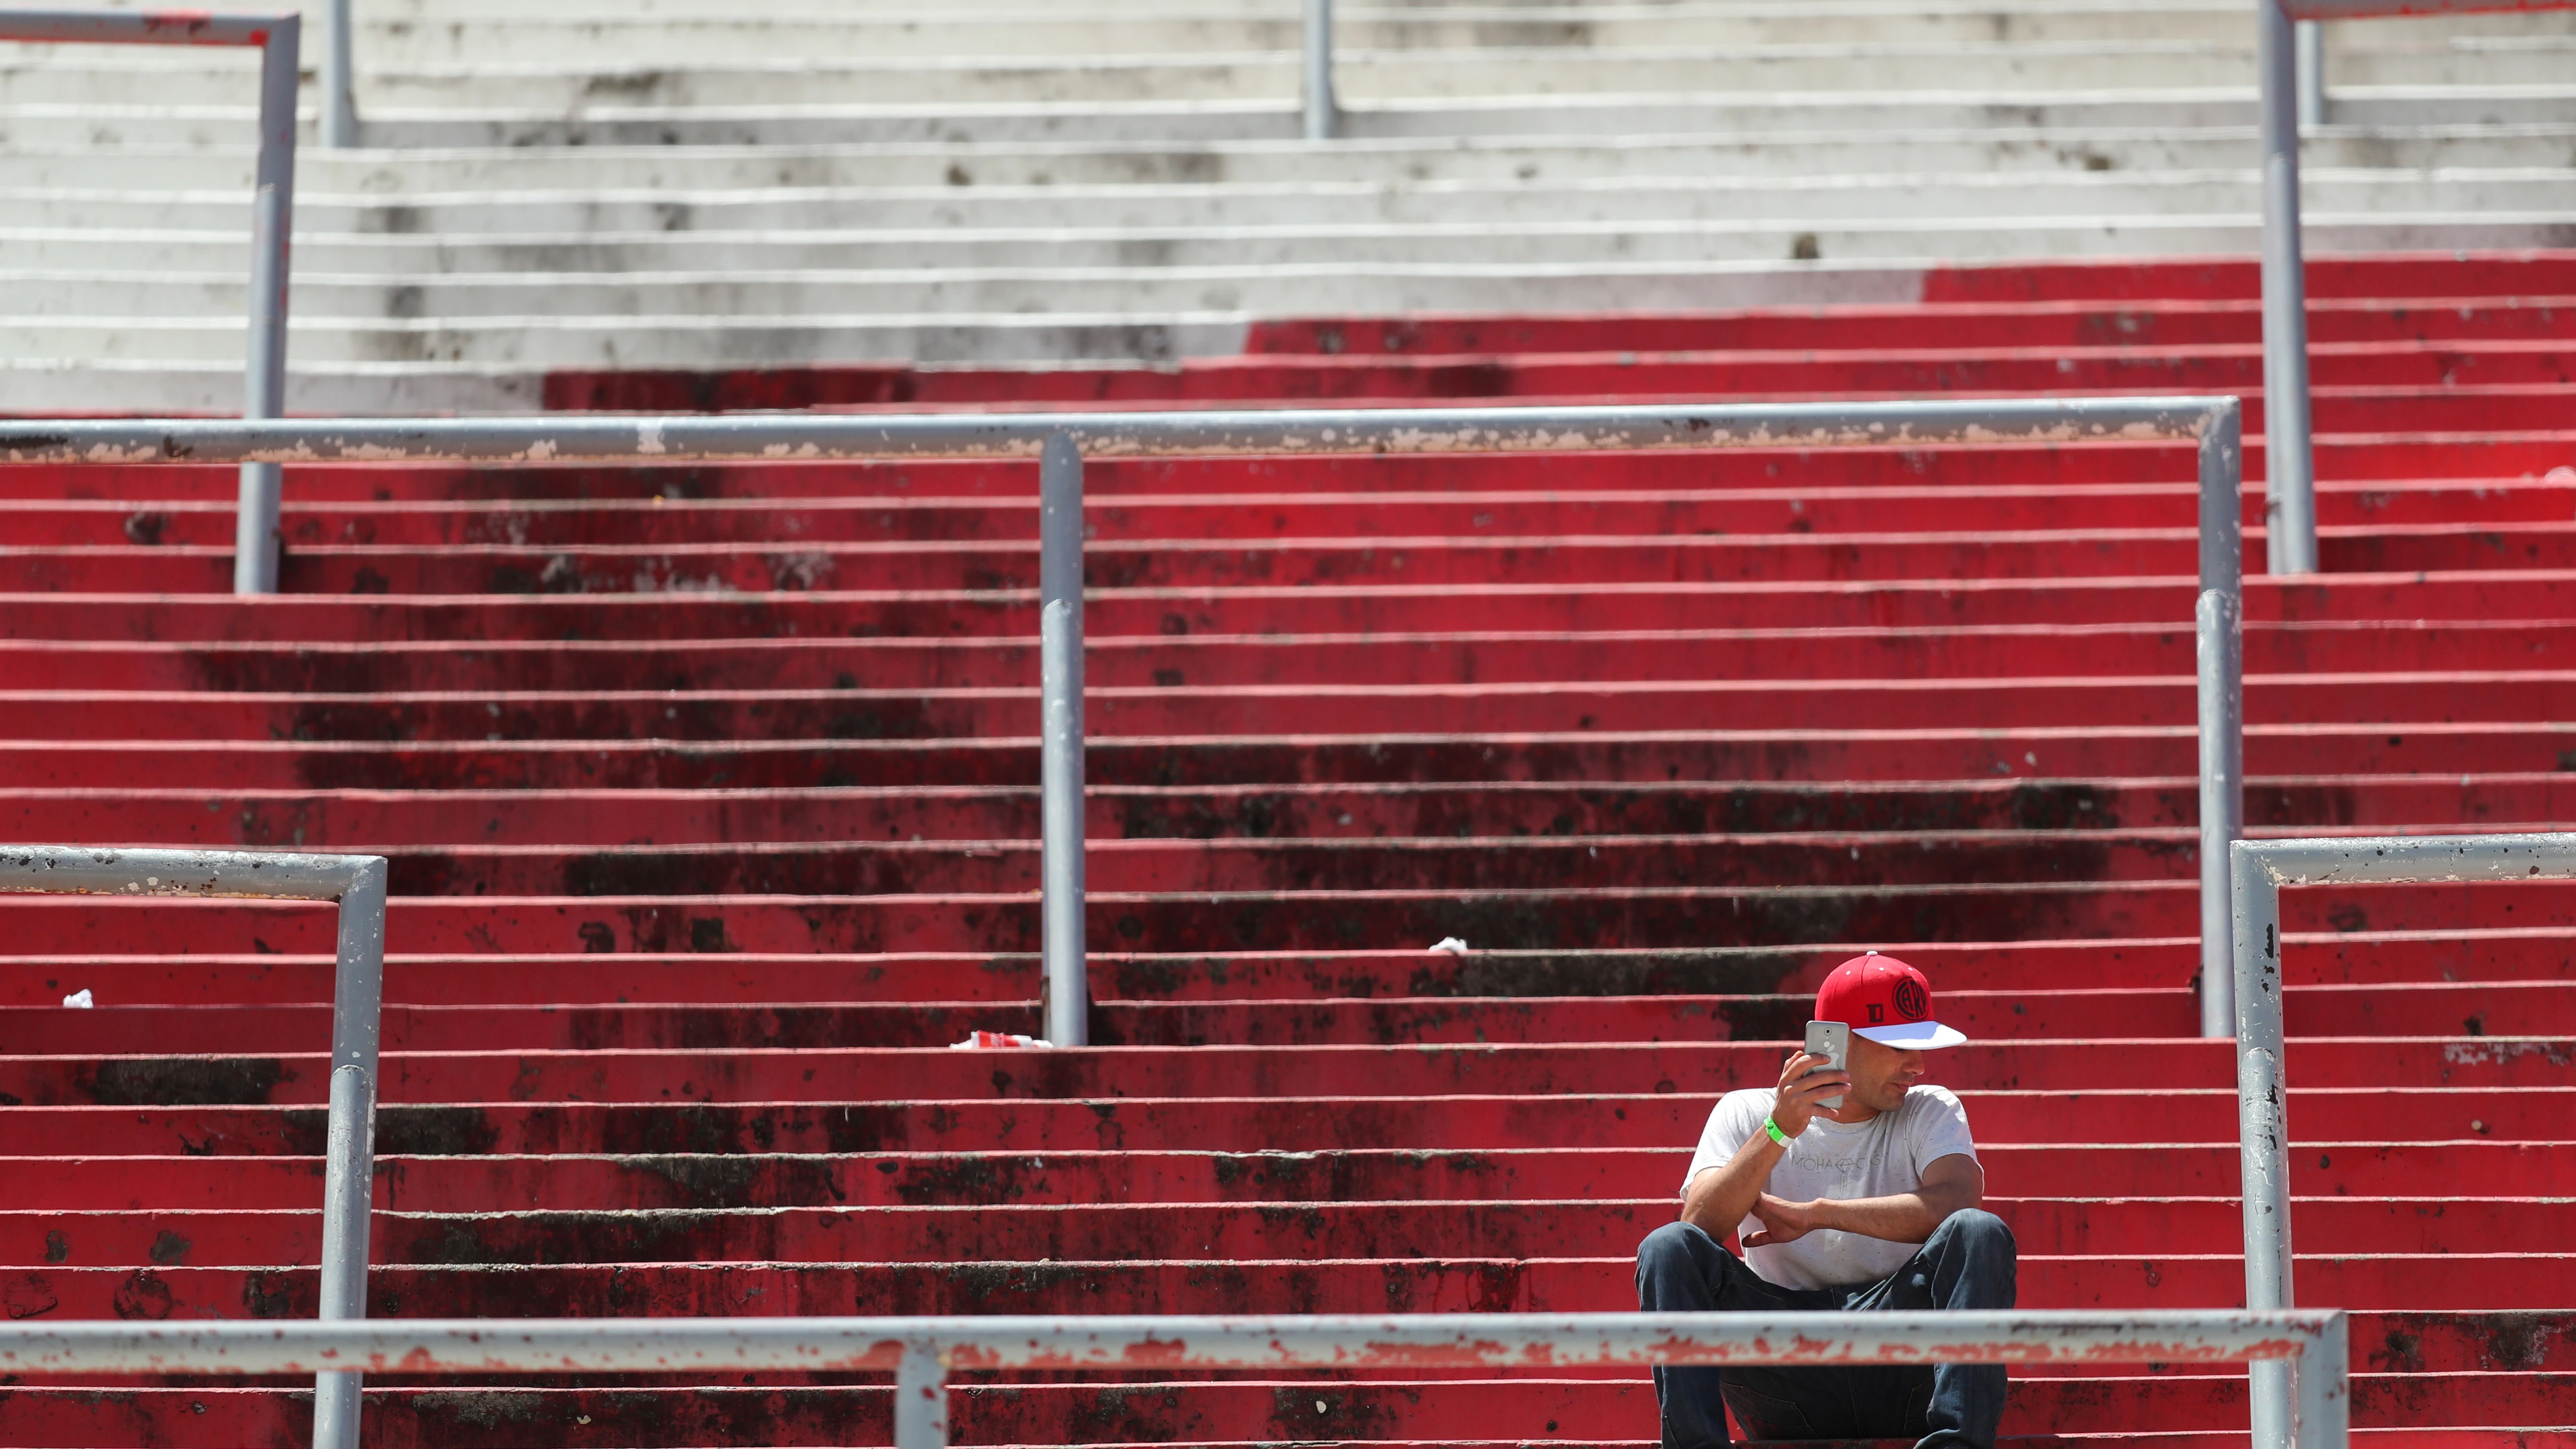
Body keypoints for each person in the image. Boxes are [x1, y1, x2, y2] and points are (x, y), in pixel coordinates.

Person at [1634, 952, 2017, 1448]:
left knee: (1979, 1234)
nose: (1918, 1066)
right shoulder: (1746, 1111)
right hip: (1787, 1370)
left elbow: (1958, 1203)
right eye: (1899, 1047)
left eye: (1921, 1047)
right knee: (1667, 1247)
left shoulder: (1931, 1109)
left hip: (1900, 1364)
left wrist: (1819, 1216)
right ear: (1833, 1042)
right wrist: (1778, 1130)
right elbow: (1698, 1225)